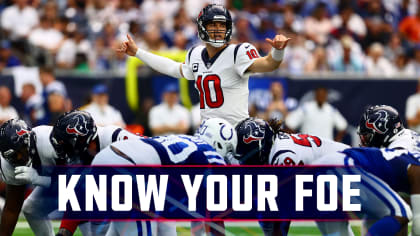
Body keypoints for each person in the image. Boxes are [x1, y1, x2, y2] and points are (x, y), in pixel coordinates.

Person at [233, 118, 413, 236]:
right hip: (329, 182)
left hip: (349, 172)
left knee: (395, 214)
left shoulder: (283, 156)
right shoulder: (275, 148)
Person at [58, 117, 236, 236]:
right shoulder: (209, 155)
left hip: (110, 161)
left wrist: (65, 229)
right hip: (131, 170)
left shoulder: (183, 142)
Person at [117, 4, 290, 125]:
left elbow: (268, 64)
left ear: (228, 28)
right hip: (208, 131)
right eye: (212, 24)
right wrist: (138, 53)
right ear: (201, 28)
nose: (218, 29)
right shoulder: (195, 54)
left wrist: (277, 51)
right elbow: (171, 68)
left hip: (237, 131)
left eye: (222, 25)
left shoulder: (239, 52)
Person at [0, 110, 139, 236]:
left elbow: (76, 187)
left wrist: (40, 179)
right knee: (31, 208)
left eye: (21, 152)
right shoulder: (9, 164)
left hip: (94, 185)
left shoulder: (50, 145)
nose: (19, 159)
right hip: (75, 184)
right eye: (14, 157)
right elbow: (12, 208)